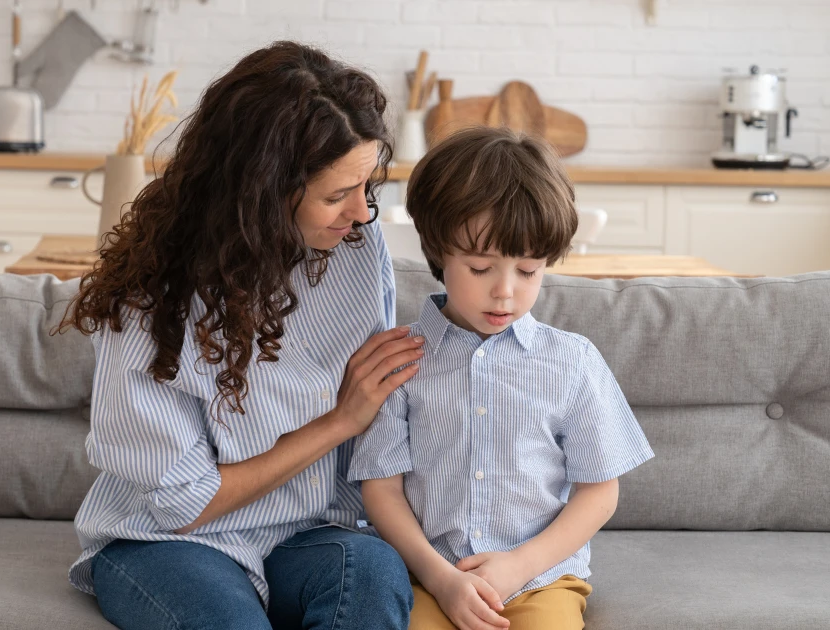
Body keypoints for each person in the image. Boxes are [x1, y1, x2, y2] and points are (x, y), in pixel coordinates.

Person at [59, 41, 420, 630]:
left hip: (307, 534)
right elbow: (184, 504)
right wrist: (338, 422)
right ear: (262, 193)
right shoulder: (152, 300)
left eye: (366, 187)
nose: (360, 213)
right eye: (336, 195)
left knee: (373, 576)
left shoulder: (355, 246)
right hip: (169, 542)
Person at [348, 127, 654, 630]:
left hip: (539, 580)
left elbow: (599, 492)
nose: (505, 292)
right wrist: (440, 578)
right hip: (429, 578)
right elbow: (382, 489)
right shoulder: (400, 360)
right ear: (438, 252)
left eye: (528, 271)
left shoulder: (573, 361)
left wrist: (518, 566)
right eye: (479, 268)